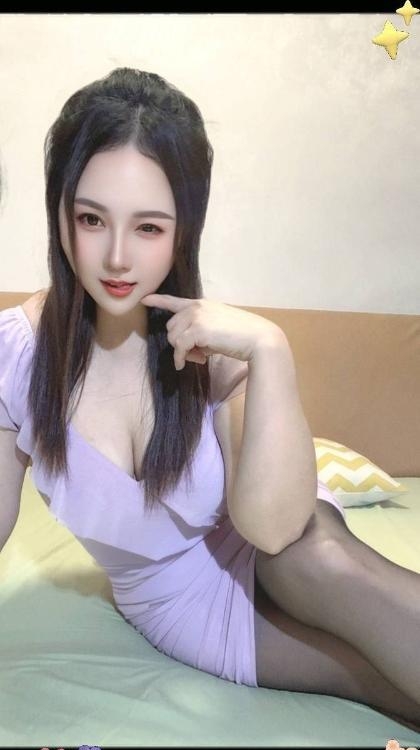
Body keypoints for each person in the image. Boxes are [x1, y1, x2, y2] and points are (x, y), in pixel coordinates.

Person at [0, 67, 419, 731]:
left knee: (315, 557)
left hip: (283, 536)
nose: (116, 257)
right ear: (60, 213)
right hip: (185, 601)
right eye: (91, 219)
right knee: (385, 683)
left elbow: (274, 530)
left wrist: (270, 349)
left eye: (148, 228)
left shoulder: (215, 342)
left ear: (184, 229)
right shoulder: (18, 355)